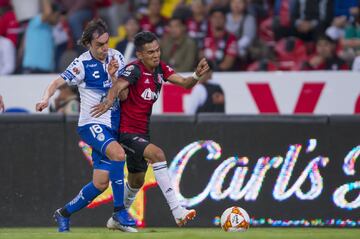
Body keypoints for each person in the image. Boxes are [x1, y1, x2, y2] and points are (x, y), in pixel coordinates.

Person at [91, 31, 210, 227]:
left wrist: (197, 74)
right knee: (157, 154)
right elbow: (118, 87)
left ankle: (116, 219)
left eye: (157, 50)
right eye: (150, 52)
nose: (156, 55)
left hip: (142, 133)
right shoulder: (134, 70)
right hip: (126, 133)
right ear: (140, 55)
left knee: (137, 181)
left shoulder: (160, 69)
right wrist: (109, 100)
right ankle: (178, 211)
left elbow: (186, 83)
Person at [35, 19, 136, 233]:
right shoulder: (81, 64)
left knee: (100, 184)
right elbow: (56, 83)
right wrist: (45, 99)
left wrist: (113, 76)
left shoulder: (117, 57)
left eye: (106, 43)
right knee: (119, 155)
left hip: (112, 126)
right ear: (89, 44)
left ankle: (63, 213)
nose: (104, 48)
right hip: (91, 124)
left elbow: (125, 95)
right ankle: (119, 211)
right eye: (99, 45)